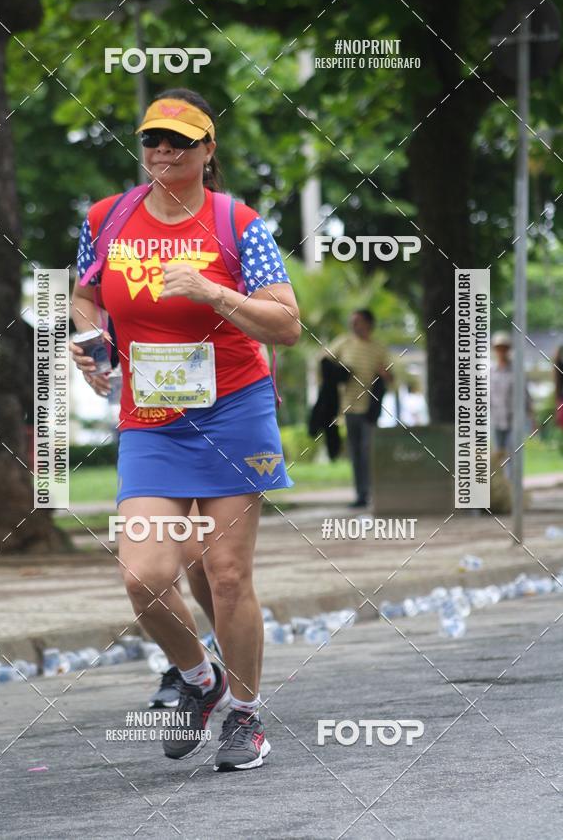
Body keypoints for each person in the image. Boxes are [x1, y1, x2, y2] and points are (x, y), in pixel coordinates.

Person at [70, 87, 300, 771]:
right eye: (151, 140)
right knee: (144, 574)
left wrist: (212, 292)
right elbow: (85, 294)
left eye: (179, 140)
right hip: (152, 420)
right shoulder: (108, 218)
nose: (162, 151)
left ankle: (248, 717)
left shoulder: (237, 223)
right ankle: (202, 679)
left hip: (234, 411)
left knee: (225, 574)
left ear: (208, 149)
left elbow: (286, 324)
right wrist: (91, 343)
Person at [327, 309, 391, 507]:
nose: (354, 325)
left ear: (369, 324)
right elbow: (324, 360)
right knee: (356, 452)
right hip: (349, 407)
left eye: (358, 321)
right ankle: (361, 495)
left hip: (369, 409)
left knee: (367, 451)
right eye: (352, 321)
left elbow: (390, 376)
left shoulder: (378, 348)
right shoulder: (343, 343)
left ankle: (372, 492)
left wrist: (383, 374)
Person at [490, 331, 533, 462]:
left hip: (513, 420)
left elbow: (525, 394)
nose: (501, 351)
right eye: (498, 348)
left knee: (512, 455)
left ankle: (512, 482)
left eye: (504, 348)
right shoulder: (491, 371)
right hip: (496, 419)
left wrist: (531, 416)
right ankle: (501, 482)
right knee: (498, 456)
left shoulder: (516, 370)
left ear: (508, 349)